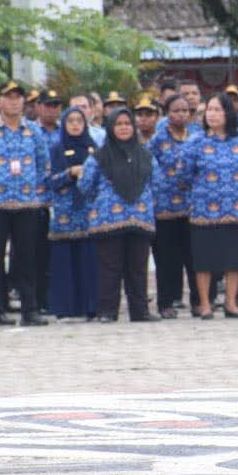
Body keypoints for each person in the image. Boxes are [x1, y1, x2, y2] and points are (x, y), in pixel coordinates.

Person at [0, 80, 50, 327]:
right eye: (8, 97)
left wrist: (32, 189)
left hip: (26, 205)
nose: (14, 101)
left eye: (18, 97)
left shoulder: (34, 131)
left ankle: (30, 310)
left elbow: (43, 164)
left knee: (27, 259)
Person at [79, 109, 159, 322]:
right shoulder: (99, 156)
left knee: (138, 269)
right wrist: (103, 202)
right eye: (118, 124)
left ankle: (140, 312)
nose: (124, 127)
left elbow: (157, 183)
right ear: (110, 128)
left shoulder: (146, 155)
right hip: (108, 221)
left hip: (140, 219)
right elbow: (85, 184)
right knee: (109, 269)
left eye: (127, 123)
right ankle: (107, 312)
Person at [182, 92, 238, 319]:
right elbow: (184, 174)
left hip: (236, 209)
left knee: (235, 259)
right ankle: (205, 304)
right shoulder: (196, 141)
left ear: (228, 113)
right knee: (204, 260)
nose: (211, 114)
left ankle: (231, 303)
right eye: (208, 110)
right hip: (204, 210)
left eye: (217, 110)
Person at [46, 106, 98, 320]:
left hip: (88, 213)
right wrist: (70, 173)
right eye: (71, 121)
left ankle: (90, 306)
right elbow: (48, 181)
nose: (75, 125)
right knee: (64, 261)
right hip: (64, 214)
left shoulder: (93, 148)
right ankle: (65, 307)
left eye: (79, 120)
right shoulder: (56, 148)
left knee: (89, 260)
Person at [150, 94, 198, 318]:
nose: (181, 114)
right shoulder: (157, 140)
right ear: (167, 113)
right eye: (176, 110)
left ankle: (198, 301)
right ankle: (166, 303)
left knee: (194, 257)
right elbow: (151, 171)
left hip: (193, 207)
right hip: (165, 208)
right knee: (167, 259)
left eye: (185, 110)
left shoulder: (197, 136)